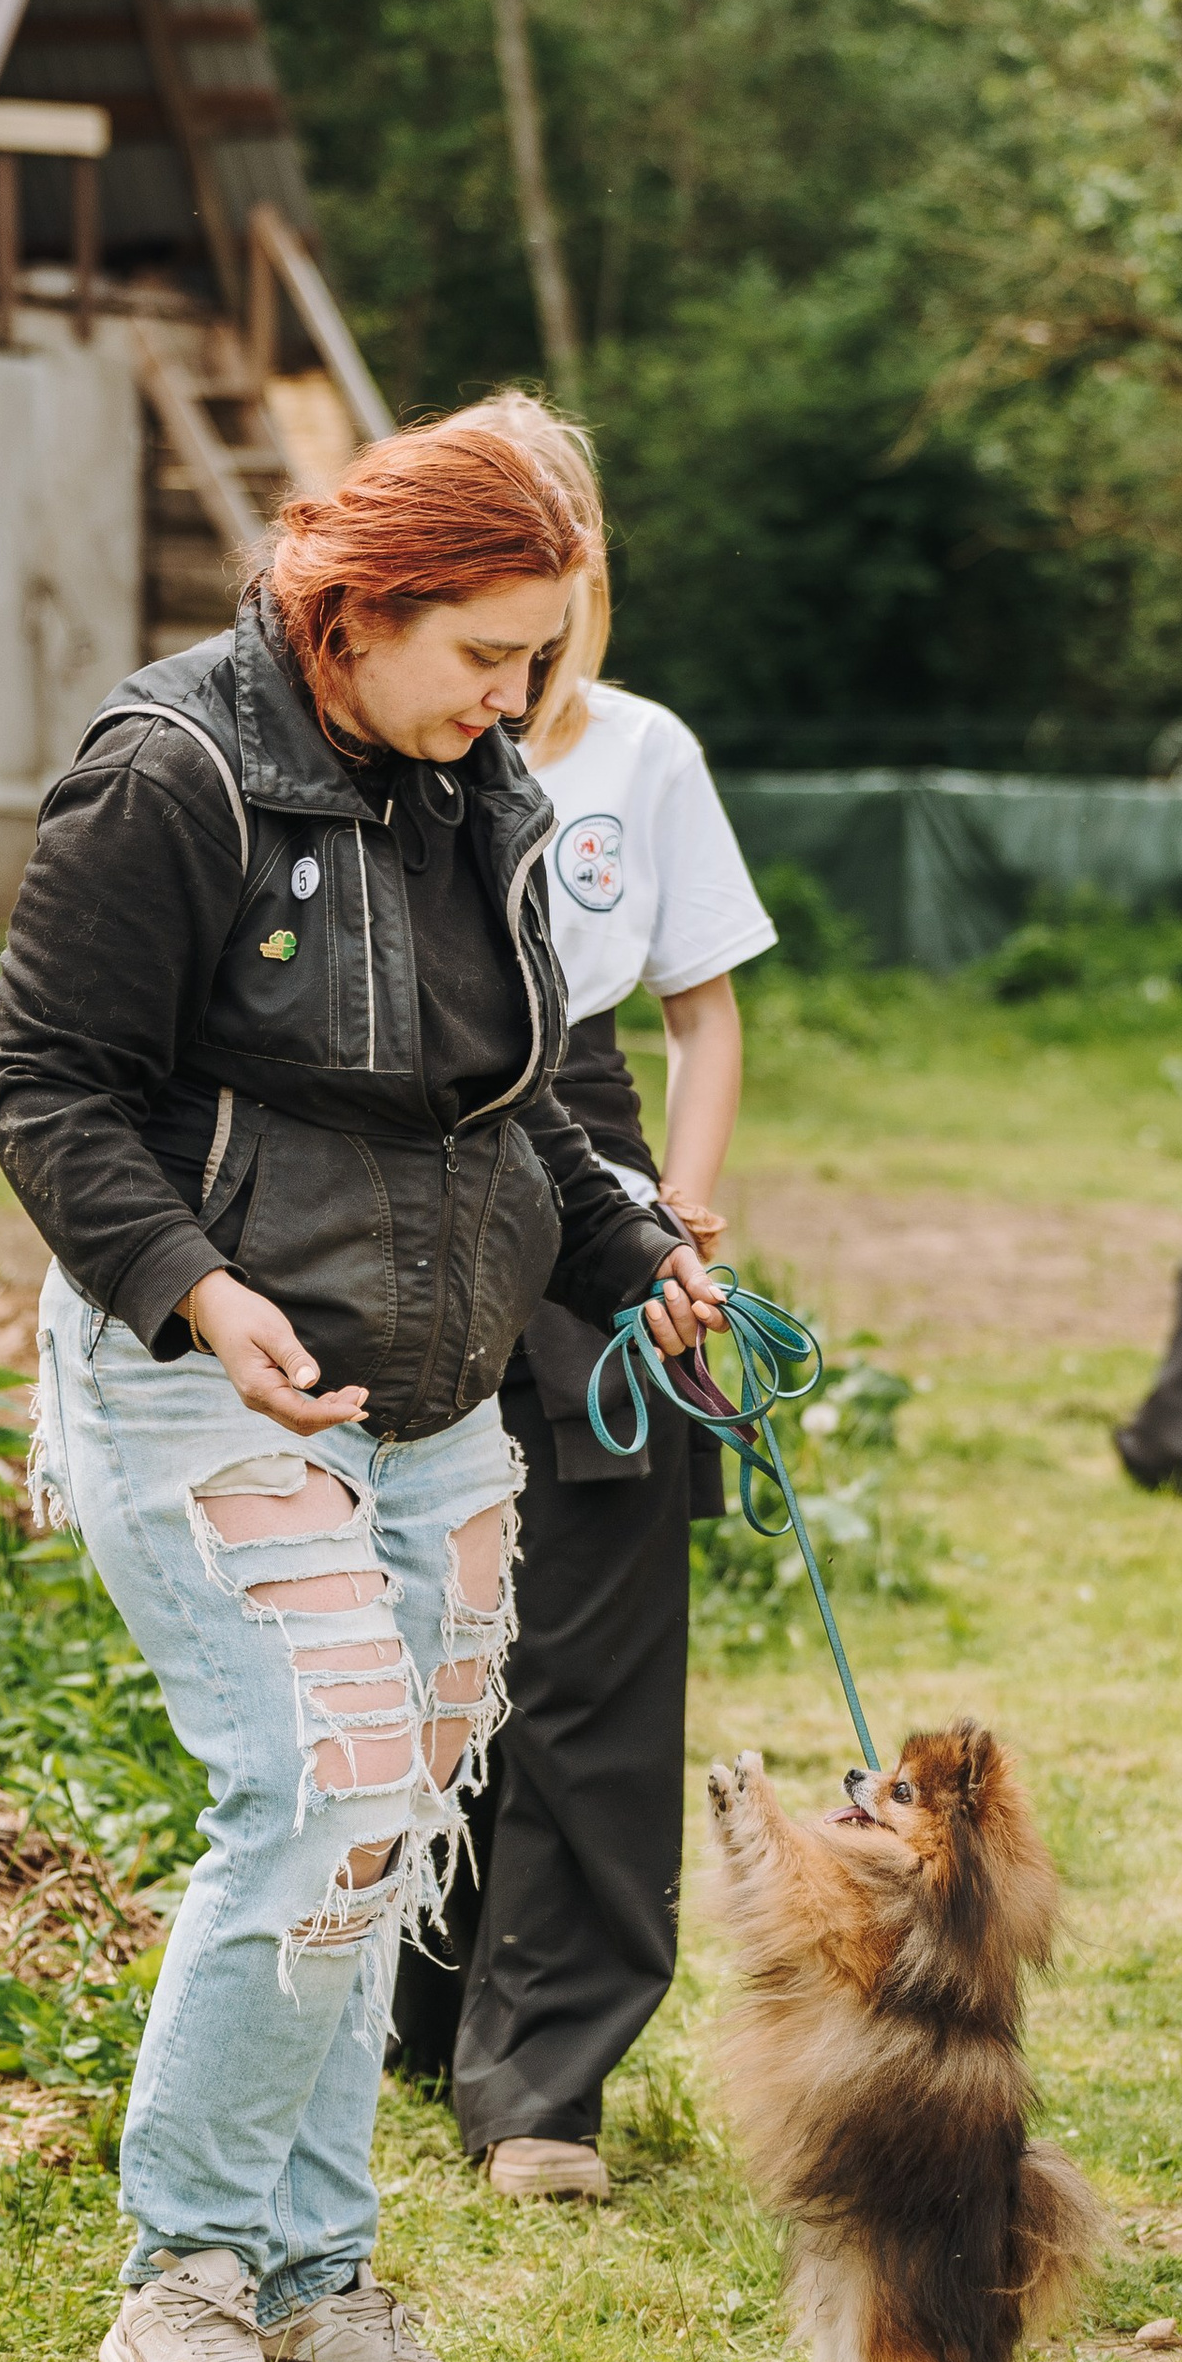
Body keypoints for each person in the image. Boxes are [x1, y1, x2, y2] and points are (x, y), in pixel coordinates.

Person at [0, 416, 727, 2362]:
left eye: (537, 654)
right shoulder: (172, 769)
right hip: (208, 1371)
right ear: (357, 610)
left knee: (391, 1814)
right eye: (485, 651)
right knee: (319, 1789)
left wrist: (629, 1246)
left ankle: (317, 2276)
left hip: (434, 1389)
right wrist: (191, 1282)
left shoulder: (478, 782)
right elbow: (45, 1082)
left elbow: (524, 1093)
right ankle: (183, 2276)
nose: (518, 693)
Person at [390, 393, 776, 2199]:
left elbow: (706, 1007)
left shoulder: (640, 750)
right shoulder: (381, 749)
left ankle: (544, 2081)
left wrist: (676, 1215)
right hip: (400, 1157)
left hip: (591, 1147)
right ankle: (411, 2008)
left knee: (596, 1637)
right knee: (422, 1622)